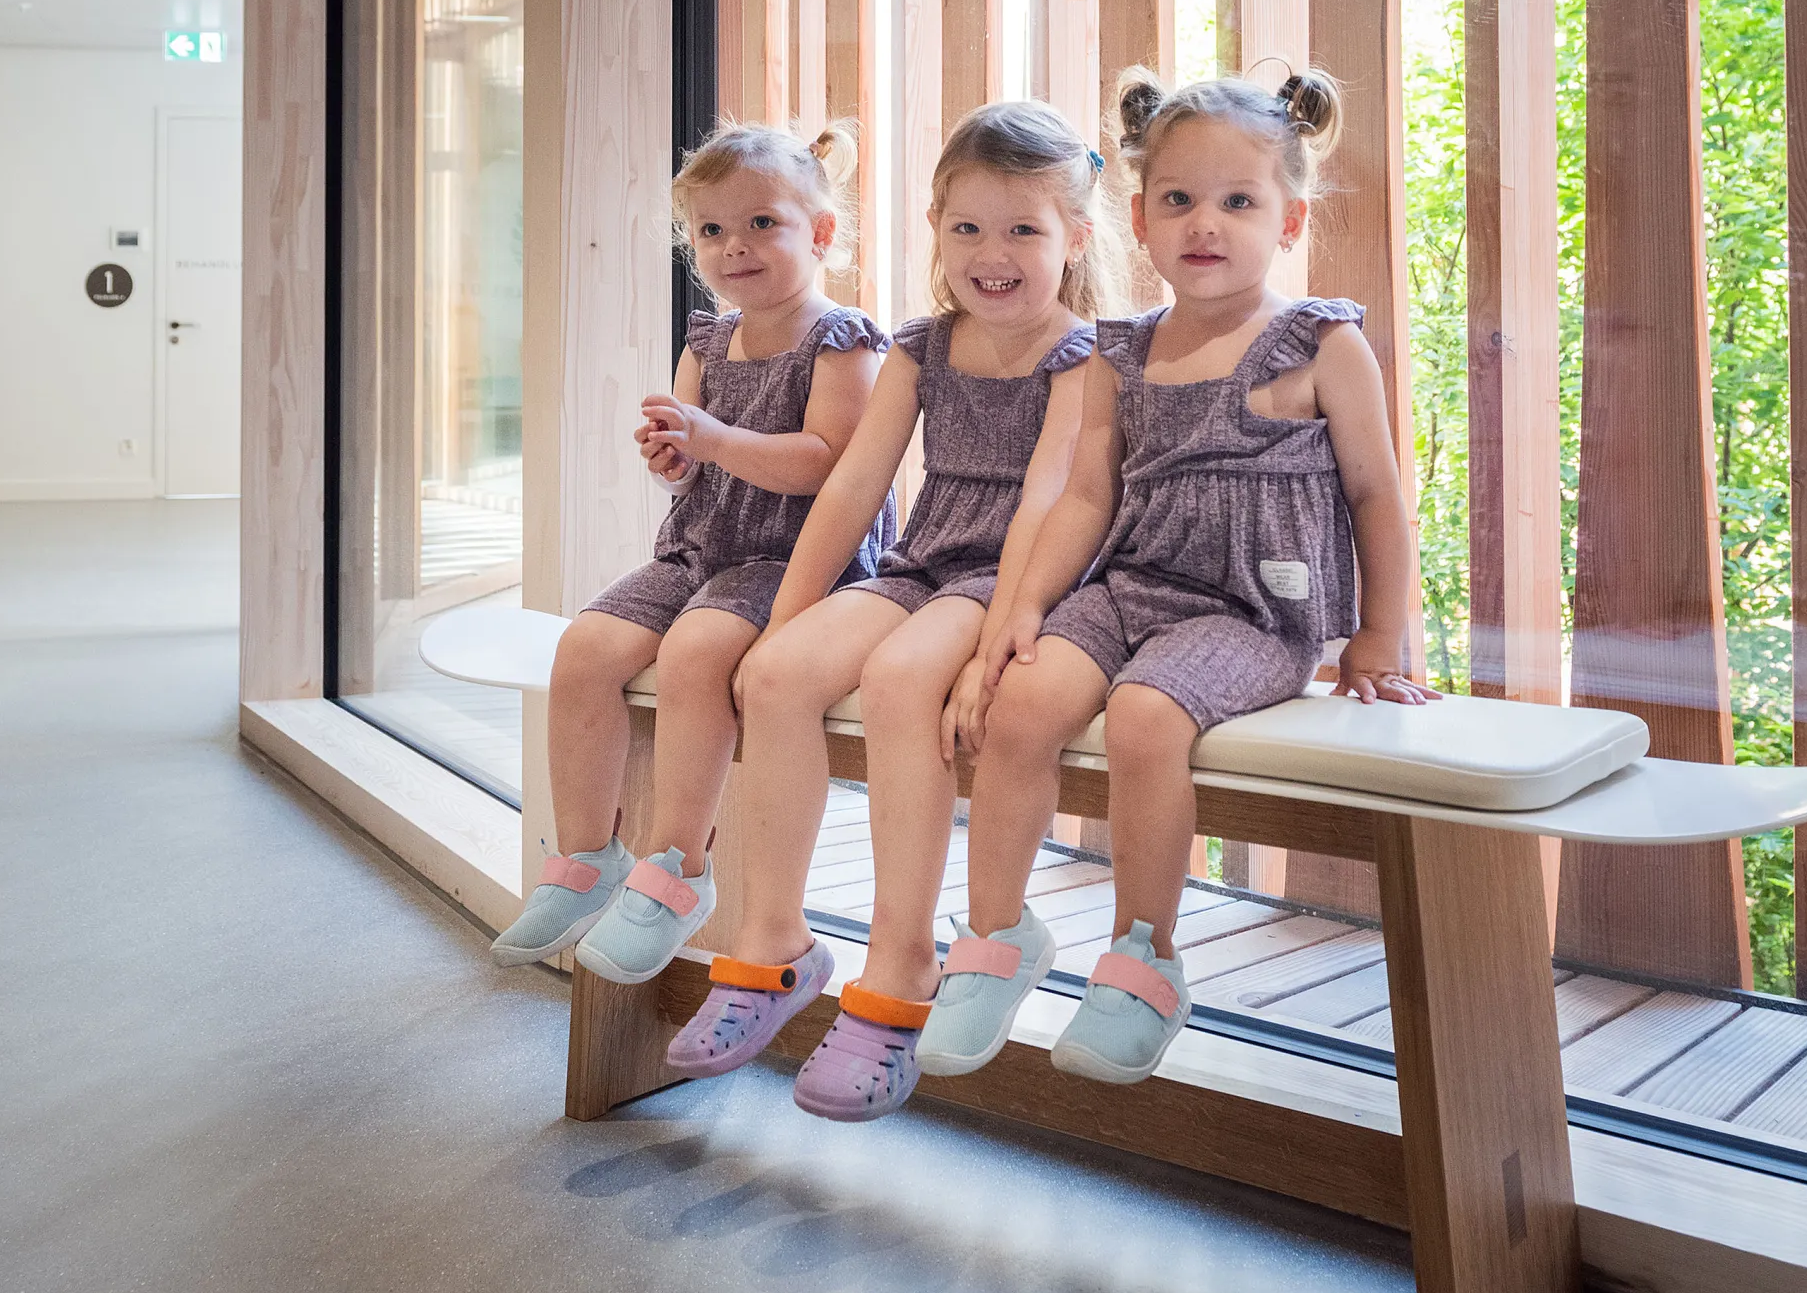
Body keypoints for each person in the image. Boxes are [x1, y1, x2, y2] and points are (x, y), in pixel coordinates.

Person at [942, 66, 1438, 1089]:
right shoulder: (1117, 352)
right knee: (1020, 701)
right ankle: (994, 936)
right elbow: (1084, 496)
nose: (1203, 223)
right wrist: (1024, 605)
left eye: (1236, 201)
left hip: (1255, 611)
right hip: (1130, 586)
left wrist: (1379, 634)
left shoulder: (1320, 342)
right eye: (1177, 200)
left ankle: (1142, 961)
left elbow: (1379, 494)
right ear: (1137, 216)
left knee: (1144, 717)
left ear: (1289, 218)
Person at [654, 102, 1112, 1121]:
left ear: (1074, 237)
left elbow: (1046, 504)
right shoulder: (918, 347)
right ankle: (771, 944)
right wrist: (788, 621)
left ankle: (900, 966)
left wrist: (998, 644)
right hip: (921, 564)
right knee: (772, 674)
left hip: (1013, 578)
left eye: (1023, 231)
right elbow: (853, 487)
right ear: (935, 229)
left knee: (903, 678)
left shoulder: (1084, 355)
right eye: (967, 229)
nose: (990, 256)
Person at [491, 120, 892, 985]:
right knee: (587, 647)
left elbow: (830, 466)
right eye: (711, 231)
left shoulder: (842, 339)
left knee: (695, 653)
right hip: (700, 547)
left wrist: (711, 438)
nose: (732, 248)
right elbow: (693, 459)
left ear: (819, 234)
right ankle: (586, 855)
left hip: (792, 562)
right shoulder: (708, 340)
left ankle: (677, 869)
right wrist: (676, 458)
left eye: (761, 225)